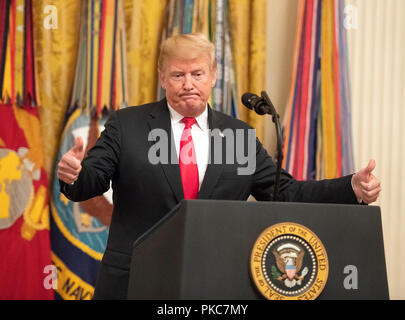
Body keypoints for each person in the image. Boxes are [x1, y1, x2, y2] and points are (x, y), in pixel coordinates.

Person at [58, 33, 381, 299]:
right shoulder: (128, 124)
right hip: (135, 281)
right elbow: (92, 181)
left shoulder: (237, 135)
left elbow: (285, 193)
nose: (188, 83)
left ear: (212, 76)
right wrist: (75, 175)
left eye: (197, 74)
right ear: (162, 79)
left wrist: (349, 187)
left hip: (213, 283)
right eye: (177, 75)